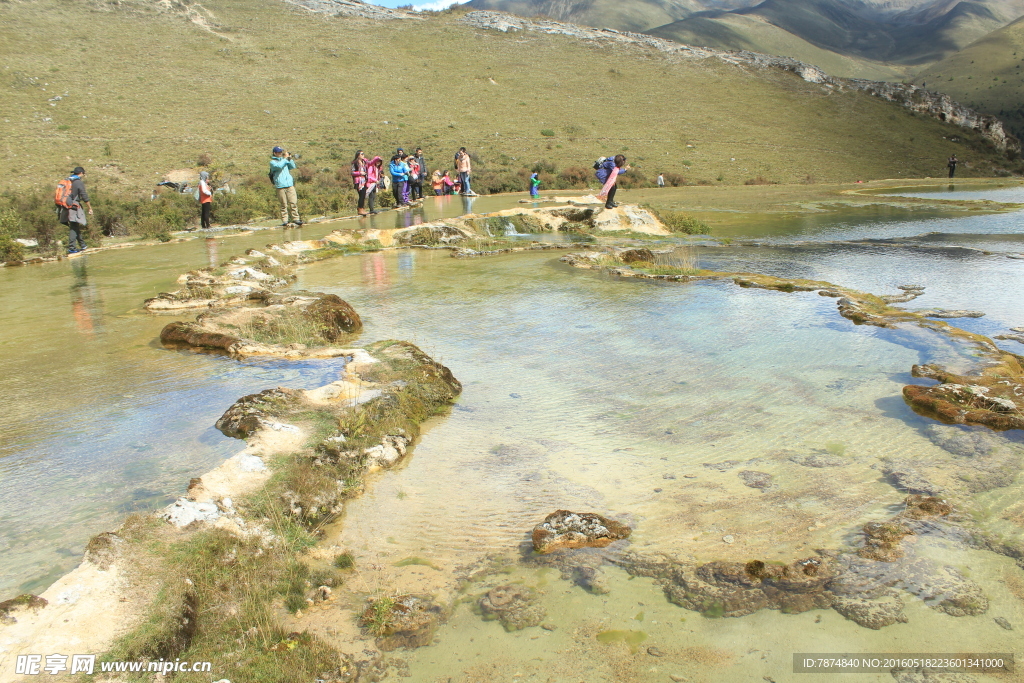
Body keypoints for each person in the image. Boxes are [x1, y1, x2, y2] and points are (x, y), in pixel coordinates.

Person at [58, 166, 93, 254]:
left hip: (65, 205)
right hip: (73, 206)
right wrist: (89, 208)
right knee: (73, 225)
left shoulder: (67, 181)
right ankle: (72, 248)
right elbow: (84, 196)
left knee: (75, 224)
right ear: (81, 173)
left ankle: (82, 244)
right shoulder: (78, 182)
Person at [270, 146, 301, 226]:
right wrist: (285, 159)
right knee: (283, 204)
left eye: (281, 152)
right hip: (280, 186)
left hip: (289, 185)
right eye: (279, 152)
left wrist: (289, 159)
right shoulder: (273, 162)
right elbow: (279, 166)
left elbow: (292, 166)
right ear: (275, 153)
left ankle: (296, 219)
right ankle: (285, 221)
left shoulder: (285, 160)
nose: (280, 153)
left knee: (293, 203)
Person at [351, 150, 369, 216]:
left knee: (363, 195)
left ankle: (362, 208)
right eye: (362, 154)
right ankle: (360, 209)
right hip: (358, 181)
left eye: (363, 154)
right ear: (358, 155)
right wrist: (360, 173)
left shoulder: (364, 162)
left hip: (364, 180)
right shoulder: (355, 163)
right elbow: (352, 172)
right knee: (361, 195)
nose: (363, 155)